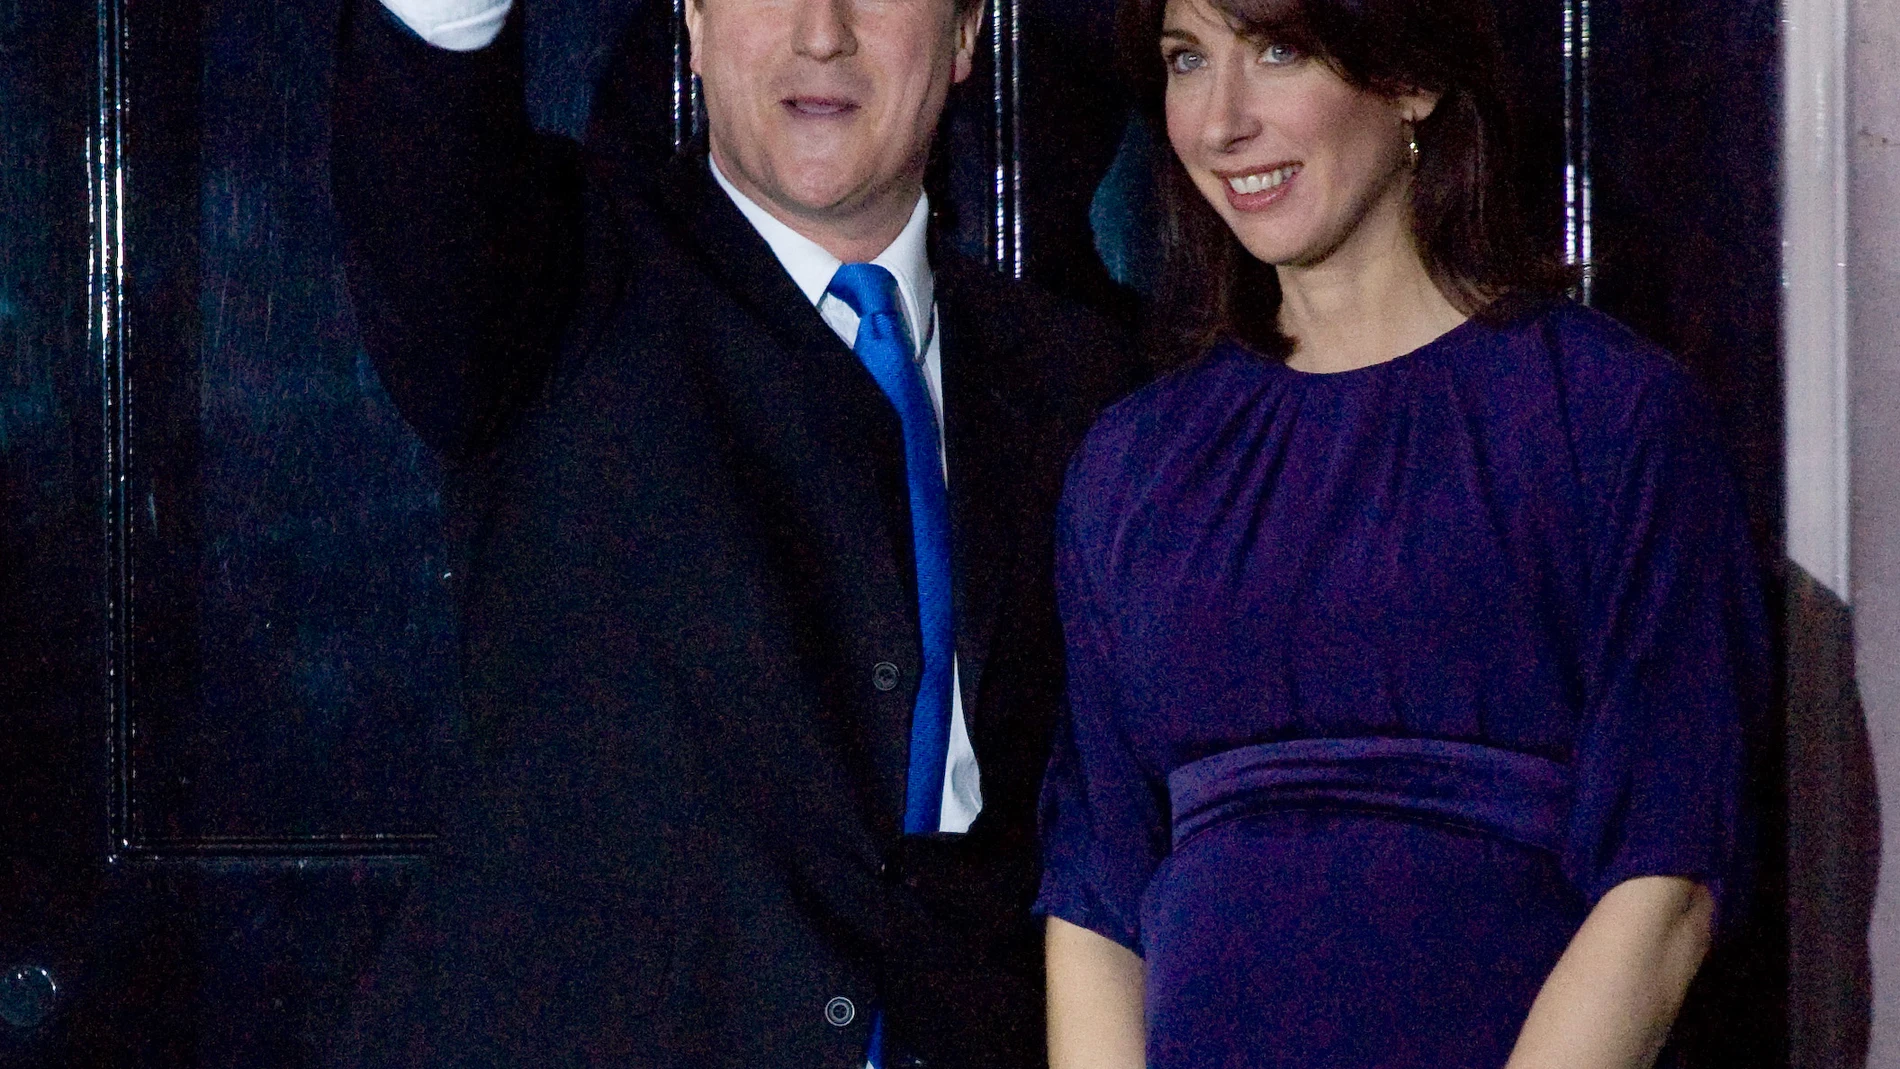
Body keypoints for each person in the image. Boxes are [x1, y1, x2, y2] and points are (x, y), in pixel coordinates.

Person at [324, 0, 1135, 1065]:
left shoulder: (1087, 382)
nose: (822, 32)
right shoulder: (556, 270)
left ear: (967, 34)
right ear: (695, 24)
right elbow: (425, 143)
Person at [1035, 0, 1769, 1066]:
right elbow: (1097, 892)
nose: (1220, 119)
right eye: (1186, 61)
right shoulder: (1132, 464)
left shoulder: (1611, 419)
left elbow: (1662, 883)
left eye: (1278, 50)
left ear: (1412, 76)